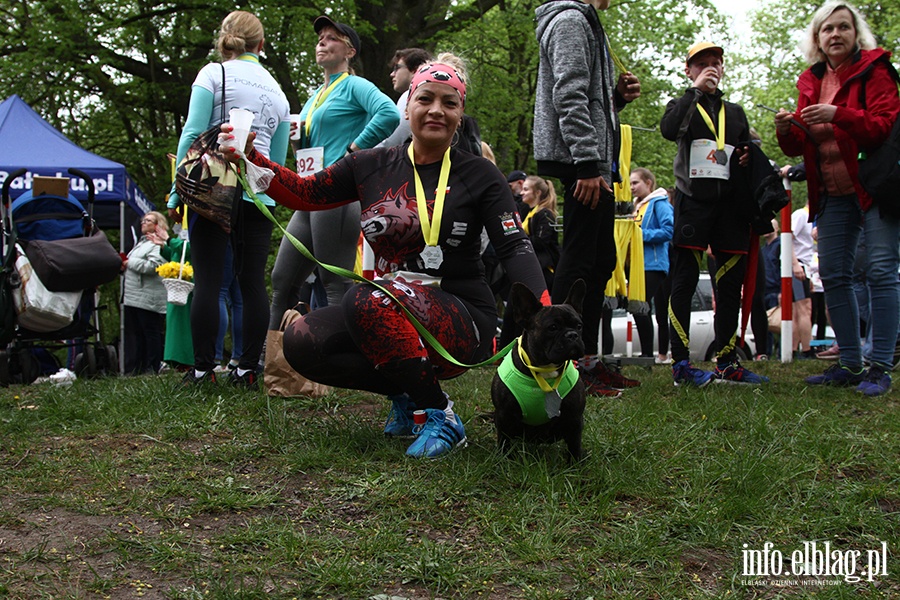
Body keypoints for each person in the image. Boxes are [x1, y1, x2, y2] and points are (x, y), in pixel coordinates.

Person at [220, 57, 547, 459]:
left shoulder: (480, 174)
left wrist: (542, 311)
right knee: (303, 341)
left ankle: (440, 414)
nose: (436, 110)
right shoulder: (370, 164)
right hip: (391, 304)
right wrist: (253, 158)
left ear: (460, 116)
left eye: (450, 103)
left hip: (463, 316)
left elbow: (515, 247)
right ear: (407, 107)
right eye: (425, 98)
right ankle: (410, 396)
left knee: (367, 296)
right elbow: (307, 193)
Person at [775, 1, 900, 396]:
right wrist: (785, 129)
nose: (835, 35)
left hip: (875, 188)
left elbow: (883, 126)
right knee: (832, 275)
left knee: (881, 271)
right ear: (817, 38)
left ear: (855, 33)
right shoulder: (809, 80)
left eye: (843, 28)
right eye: (827, 29)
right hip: (830, 194)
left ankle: (880, 365)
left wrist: (837, 113)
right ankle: (849, 362)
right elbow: (798, 146)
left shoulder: (876, 70)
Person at [167, 10, 291, 388]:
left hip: (212, 190)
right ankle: (247, 369)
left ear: (225, 39)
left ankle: (204, 369)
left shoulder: (213, 74)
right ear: (262, 44)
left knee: (208, 280)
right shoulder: (278, 92)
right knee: (252, 281)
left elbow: (192, 131)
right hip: (257, 193)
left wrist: (177, 189)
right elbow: (279, 160)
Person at [533, 0, 642, 395]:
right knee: (580, 260)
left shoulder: (586, 22)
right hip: (585, 163)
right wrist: (587, 164)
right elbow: (568, 92)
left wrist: (616, 99)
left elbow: (587, 98)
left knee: (600, 260)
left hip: (594, 161)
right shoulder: (570, 20)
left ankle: (586, 359)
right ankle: (561, 363)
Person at [268, 15, 399, 331]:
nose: (321, 43)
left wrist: (354, 152)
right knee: (282, 280)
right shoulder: (315, 96)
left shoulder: (355, 85)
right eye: (319, 39)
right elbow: (312, 152)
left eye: (331, 38)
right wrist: (299, 143)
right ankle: (269, 362)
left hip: (337, 194)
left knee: (334, 282)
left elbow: (390, 113)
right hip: (309, 192)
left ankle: (343, 364)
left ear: (350, 51)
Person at [659, 41, 769, 386]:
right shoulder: (682, 104)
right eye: (702, 64)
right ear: (689, 70)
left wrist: (749, 156)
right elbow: (668, 130)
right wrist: (693, 92)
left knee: (729, 286)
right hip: (693, 203)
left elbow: (744, 150)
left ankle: (727, 361)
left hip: (730, 209)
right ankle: (680, 364)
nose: (711, 68)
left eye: (716, 63)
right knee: (684, 282)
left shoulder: (734, 112)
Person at [629, 167, 673, 360]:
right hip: (636, 265)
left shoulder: (660, 204)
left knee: (641, 305)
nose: (631, 187)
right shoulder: (636, 206)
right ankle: (646, 353)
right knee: (638, 306)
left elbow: (669, 231)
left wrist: (639, 236)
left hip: (654, 265)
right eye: (630, 183)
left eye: (635, 183)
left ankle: (648, 354)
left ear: (648, 183)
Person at [122, 212, 168, 375]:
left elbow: (155, 266)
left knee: (150, 333)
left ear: (157, 225)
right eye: (143, 220)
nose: (143, 222)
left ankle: (152, 367)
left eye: (148, 221)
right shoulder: (141, 243)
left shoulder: (157, 244)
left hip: (148, 297)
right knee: (137, 334)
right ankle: (137, 367)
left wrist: (129, 263)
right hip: (134, 296)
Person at [147, 223, 194, 370]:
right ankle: (176, 358)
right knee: (174, 321)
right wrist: (163, 246)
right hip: (177, 283)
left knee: (184, 322)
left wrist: (168, 240)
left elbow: (189, 249)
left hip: (188, 282)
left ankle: (187, 358)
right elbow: (176, 255)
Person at [377, 48, 433, 148]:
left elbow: (394, 138)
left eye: (396, 68)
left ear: (415, 70)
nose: (392, 74)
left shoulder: (409, 96)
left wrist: (364, 154)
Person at [214, 241, 242, 373]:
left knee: (218, 292)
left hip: (225, 236)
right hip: (243, 238)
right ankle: (238, 358)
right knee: (238, 302)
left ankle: (214, 358)